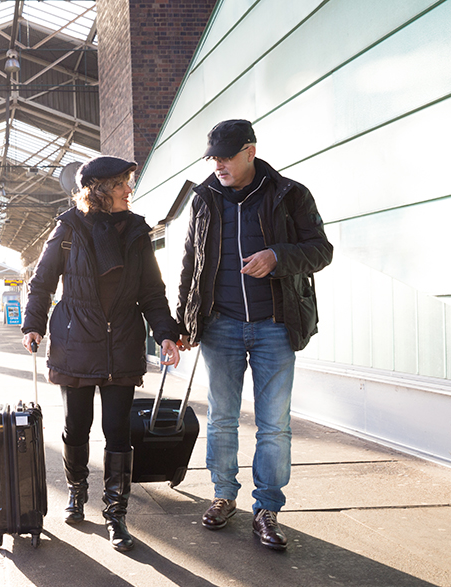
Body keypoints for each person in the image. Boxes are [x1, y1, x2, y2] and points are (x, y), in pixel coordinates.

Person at [175, 120, 333, 551]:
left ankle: (267, 509)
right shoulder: (204, 198)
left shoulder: (290, 194)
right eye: (213, 157)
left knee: (274, 425)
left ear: (250, 150)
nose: (218, 165)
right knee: (222, 418)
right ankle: (224, 495)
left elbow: (322, 250)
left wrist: (277, 256)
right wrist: (183, 322)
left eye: (226, 156)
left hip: (275, 326)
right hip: (220, 325)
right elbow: (191, 261)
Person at [21, 156, 181, 552]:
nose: (130, 189)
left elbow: (152, 292)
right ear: (99, 189)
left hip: (122, 343)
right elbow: (42, 283)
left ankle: (116, 513)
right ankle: (77, 492)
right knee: (76, 427)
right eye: (123, 183)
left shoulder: (138, 232)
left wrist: (166, 333)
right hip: (76, 342)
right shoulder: (69, 228)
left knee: (117, 431)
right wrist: (33, 324)